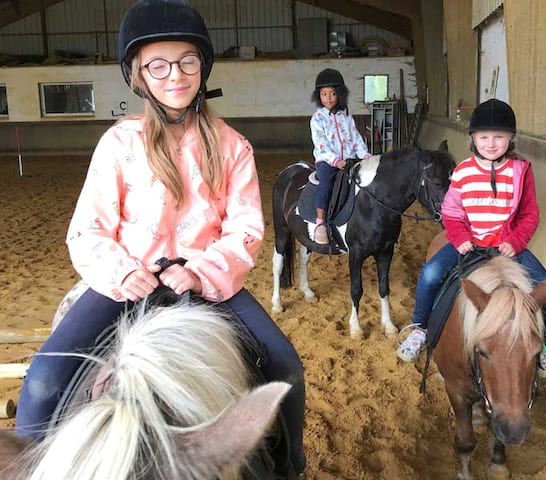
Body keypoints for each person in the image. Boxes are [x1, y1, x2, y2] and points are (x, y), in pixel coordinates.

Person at [15, 0, 306, 476]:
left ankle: (291, 464)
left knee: (285, 365)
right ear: (139, 75)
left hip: (206, 282)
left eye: (188, 61)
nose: (176, 74)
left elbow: (246, 229)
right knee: (45, 379)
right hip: (131, 280)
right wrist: (123, 271)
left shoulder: (233, 146)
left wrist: (201, 271)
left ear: (202, 66)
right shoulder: (119, 144)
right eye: (159, 65)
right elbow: (87, 228)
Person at [396, 98, 546, 378]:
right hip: (470, 244)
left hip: (507, 247)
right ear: (473, 138)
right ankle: (420, 328)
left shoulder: (521, 171)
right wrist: (458, 237)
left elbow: (530, 214)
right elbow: (451, 211)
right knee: (430, 273)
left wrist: (516, 241)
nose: (491, 143)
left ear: (511, 139)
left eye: (499, 136)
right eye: (484, 137)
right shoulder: (463, 172)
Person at [309, 68, 371, 244]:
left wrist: (365, 155)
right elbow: (321, 144)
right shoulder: (317, 119)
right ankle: (320, 222)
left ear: (339, 95)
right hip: (328, 160)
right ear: (318, 96)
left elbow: (356, 138)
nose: (328, 98)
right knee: (326, 184)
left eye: (332, 93)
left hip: (350, 158)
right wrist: (336, 161)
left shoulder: (346, 117)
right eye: (324, 94)